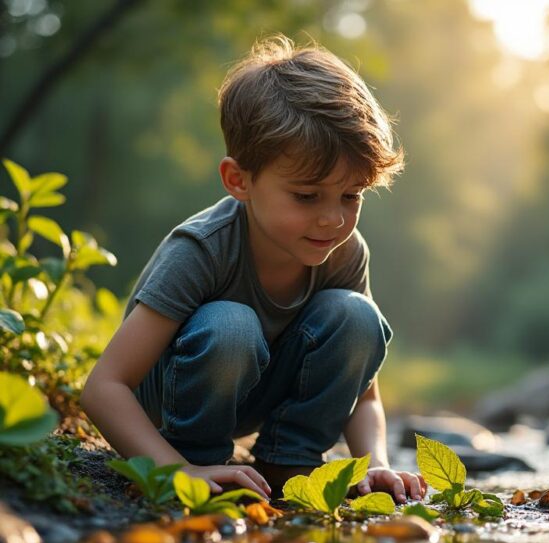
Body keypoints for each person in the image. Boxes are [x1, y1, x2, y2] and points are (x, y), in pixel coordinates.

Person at [81, 35, 426, 504]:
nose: (333, 219)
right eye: (306, 196)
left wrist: (376, 463)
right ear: (238, 180)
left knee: (358, 316)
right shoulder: (202, 250)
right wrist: (176, 470)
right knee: (231, 324)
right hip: (177, 401)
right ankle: (200, 460)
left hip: (257, 392)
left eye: (351, 195)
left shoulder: (344, 252)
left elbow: (363, 393)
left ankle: (289, 461)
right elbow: (104, 387)